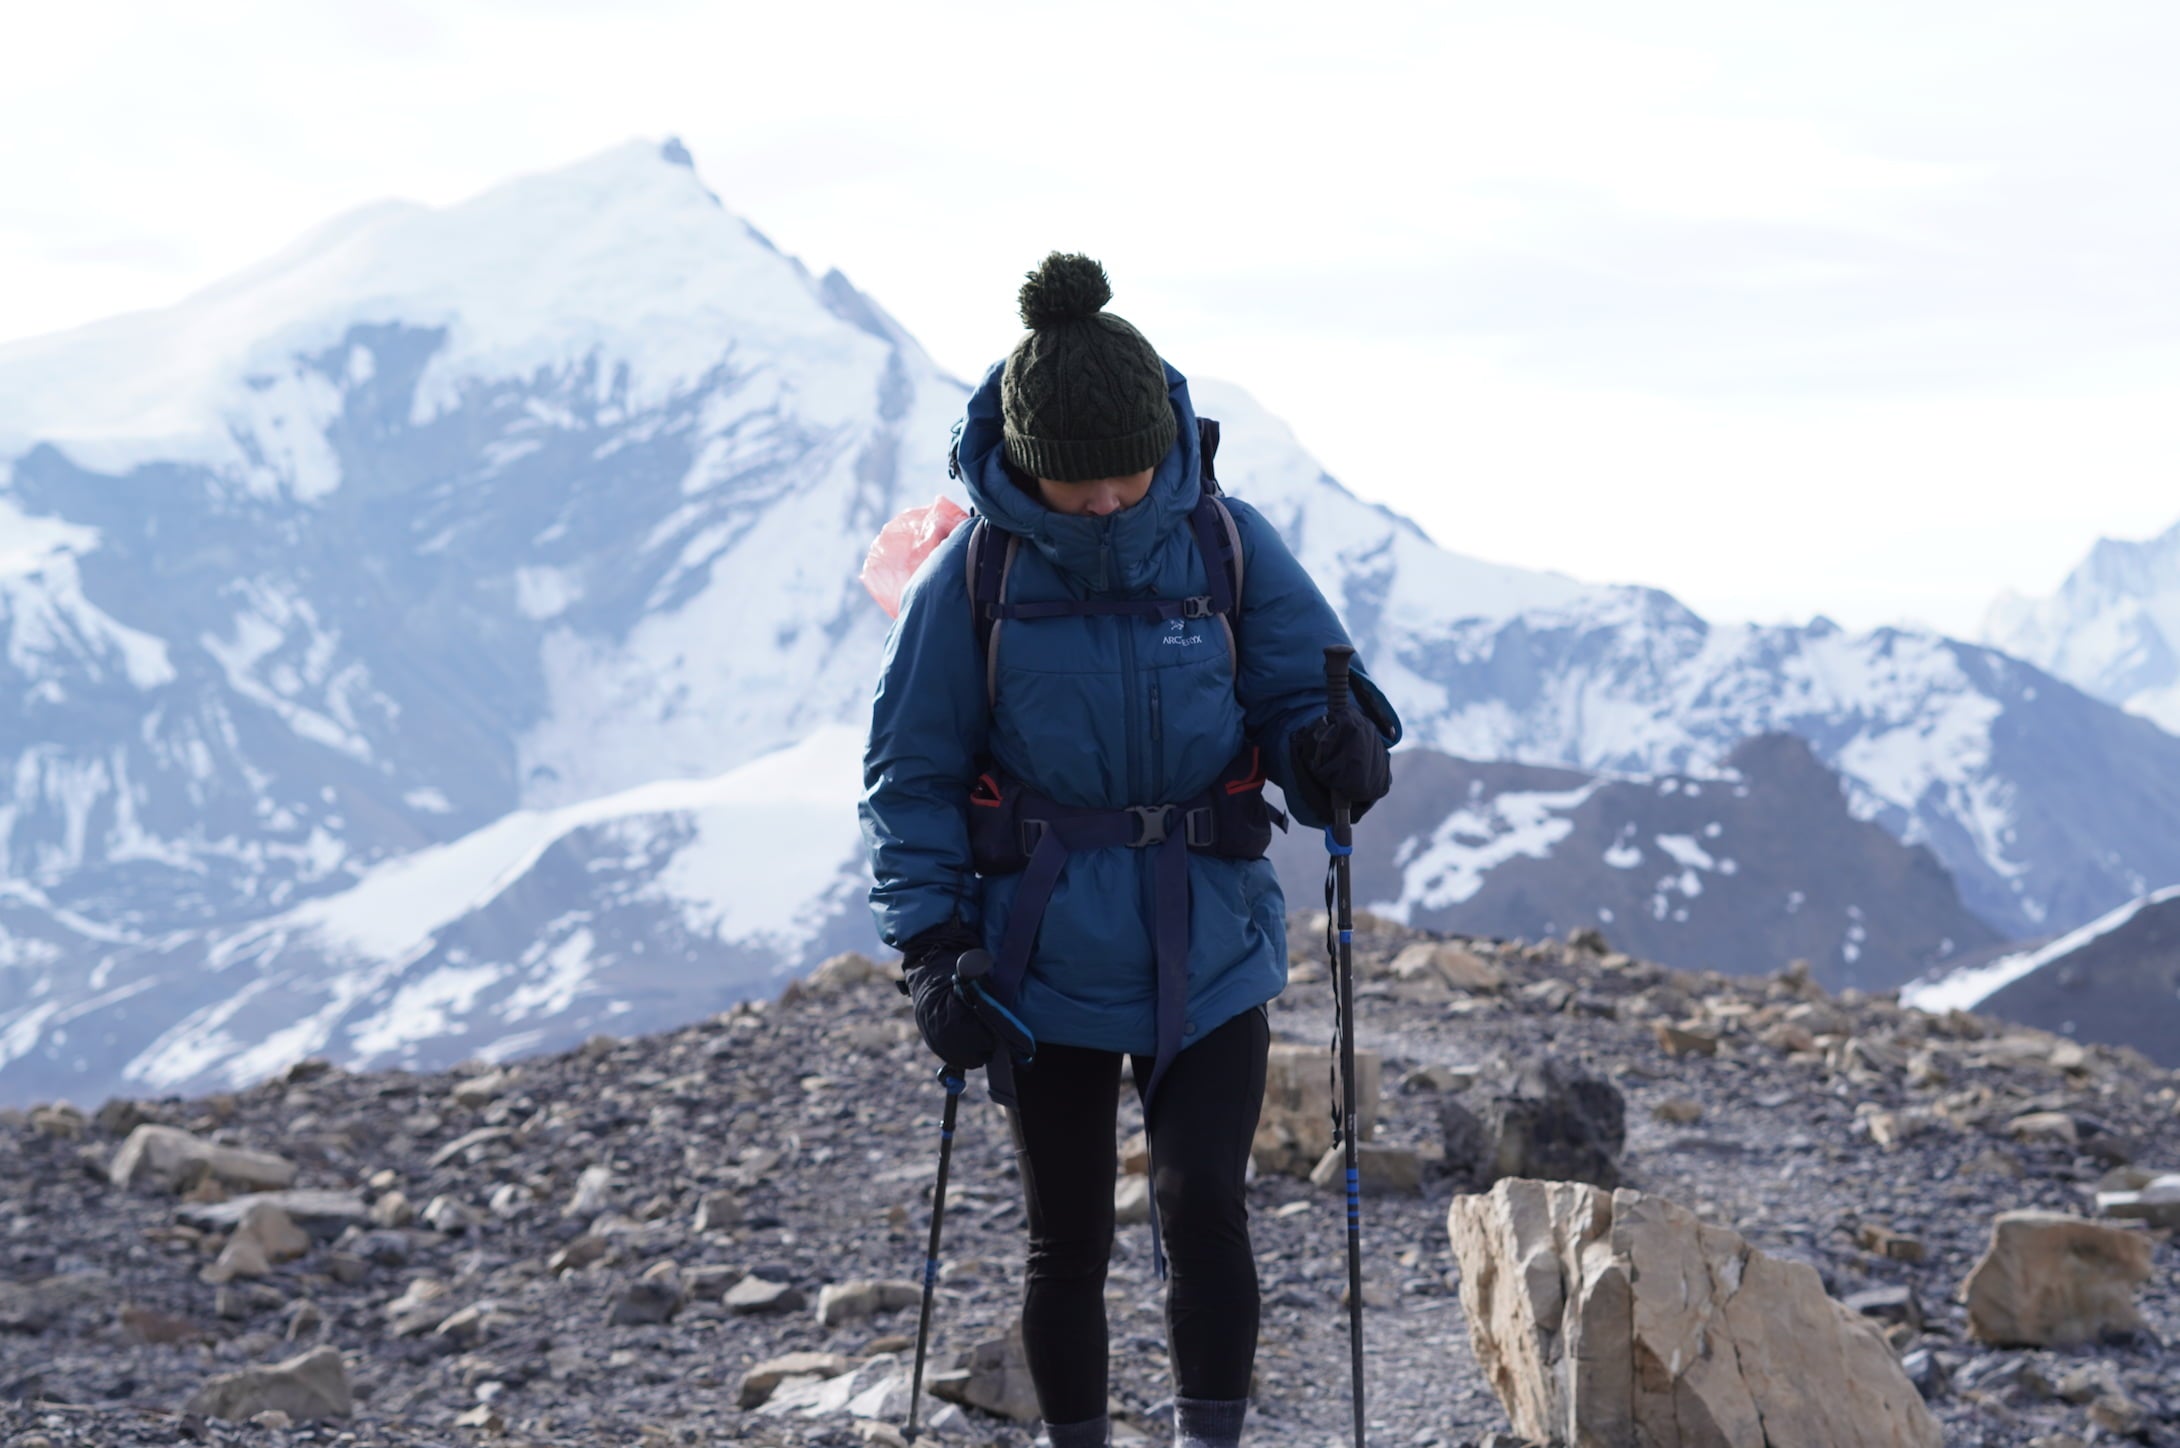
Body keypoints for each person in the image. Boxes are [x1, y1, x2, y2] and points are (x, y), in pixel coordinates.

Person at [859, 253, 1400, 1448]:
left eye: (1126, 471)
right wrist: (933, 947)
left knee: (1204, 1200)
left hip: (1207, 937)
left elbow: (1313, 704)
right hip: (1034, 955)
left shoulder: (1224, 545)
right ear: (1026, 467)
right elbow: (912, 773)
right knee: (1068, 1237)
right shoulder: (975, 575)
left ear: (1164, 443)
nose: (1106, 498)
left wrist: (1338, 753)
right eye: (1074, 479)